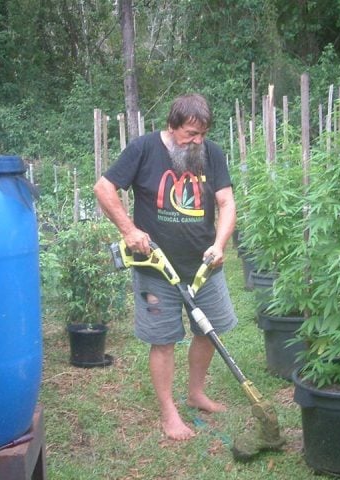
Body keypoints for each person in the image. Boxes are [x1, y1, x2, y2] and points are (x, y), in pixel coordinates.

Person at [93, 93, 238, 441]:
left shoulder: (211, 153)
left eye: (202, 134)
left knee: (210, 330)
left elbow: (226, 201)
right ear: (172, 127)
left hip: (202, 266)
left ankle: (196, 393)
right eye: (190, 133)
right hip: (156, 267)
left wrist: (219, 245)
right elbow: (103, 188)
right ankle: (169, 412)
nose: (197, 141)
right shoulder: (143, 149)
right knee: (164, 341)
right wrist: (129, 230)